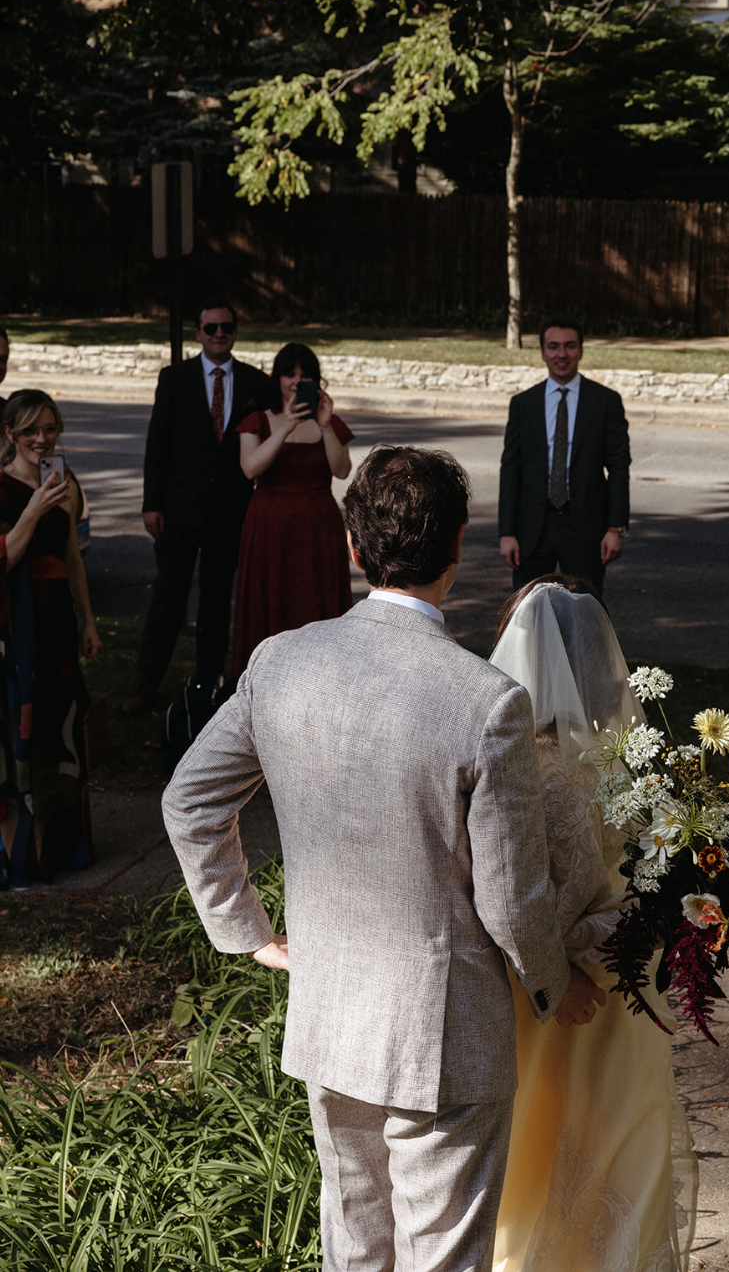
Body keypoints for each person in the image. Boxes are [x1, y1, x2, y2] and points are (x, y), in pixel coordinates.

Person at [162, 444, 583, 1272]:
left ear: (353, 549)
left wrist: (247, 931)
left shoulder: (281, 661)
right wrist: (553, 985)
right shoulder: (488, 702)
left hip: (330, 1015)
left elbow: (189, 801)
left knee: (354, 1253)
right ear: (460, 546)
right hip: (445, 1035)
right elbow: (510, 899)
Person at [488, 577, 698, 1272]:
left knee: (539, 1149)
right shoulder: (629, 762)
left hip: (545, 997)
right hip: (627, 988)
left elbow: (525, 902)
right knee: (624, 1141)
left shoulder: (521, 769)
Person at [123, 300, 268, 713]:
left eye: (226, 327)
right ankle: (146, 682)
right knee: (168, 596)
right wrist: (152, 504)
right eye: (210, 328)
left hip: (229, 511)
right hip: (179, 510)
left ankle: (208, 681)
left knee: (217, 600)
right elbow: (158, 445)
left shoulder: (255, 383)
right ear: (198, 333)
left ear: (235, 331)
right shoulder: (175, 379)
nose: (218, 334)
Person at [0, 390, 99, 890]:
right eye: (30, 431)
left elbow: (73, 556)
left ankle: (66, 843)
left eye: (50, 429)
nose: (42, 440)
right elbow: (6, 558)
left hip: (59, 618)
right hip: (21, 624)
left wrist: (88, 620)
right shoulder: (2, 488)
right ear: (10, 436)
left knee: (64, 720)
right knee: (28, 725)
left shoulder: (66, 483)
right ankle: (27, 851)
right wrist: (34, 508)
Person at [231, 343, 354, 675]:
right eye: (290, 374)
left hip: (318, 527)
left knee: (316, 602)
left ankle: (320, 675)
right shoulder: (257, 420)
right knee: (271, 600)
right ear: (278, 377)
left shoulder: (330, 423)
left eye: (305, 375)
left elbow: (341, 469)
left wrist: (326, 426)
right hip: (270, 527)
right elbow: (251, 468)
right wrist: (284, 426)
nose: (296, 381)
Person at [498, 318, 630, 592]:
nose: (562, 354)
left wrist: (615, 528)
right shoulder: (524, 404)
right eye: (553, 346)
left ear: (581, 351)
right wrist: (507, 532)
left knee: (586, 615)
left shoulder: (605, 402)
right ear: (543, 352)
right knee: (528, 615)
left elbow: (619, 468)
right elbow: (511, 470)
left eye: (570, 346)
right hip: (532, 530)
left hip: (586, 529)